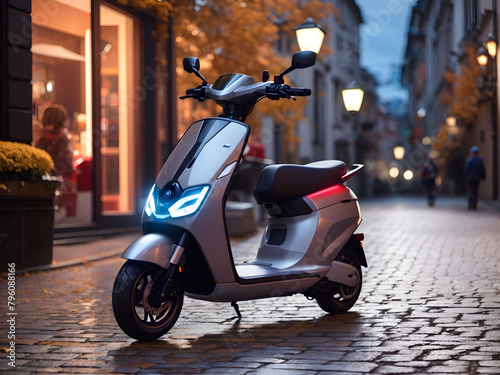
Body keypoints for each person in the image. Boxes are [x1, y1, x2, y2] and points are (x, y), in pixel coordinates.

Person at [36, 104, 74, 185]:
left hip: (40, 181)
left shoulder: (40, 137)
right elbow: (68, 165)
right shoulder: (64, 138)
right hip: (59, 183)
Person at [464, 145, 486, 210]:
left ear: (472, 152)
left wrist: (465, 175)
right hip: (477, 178)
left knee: (471, 191)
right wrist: (483, 177)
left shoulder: (469, 160)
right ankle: (474, 204)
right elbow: (483, 169)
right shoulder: (480, 160)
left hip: (470, 178)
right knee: (475, 191)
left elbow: (467, 169)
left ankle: (470, 204)